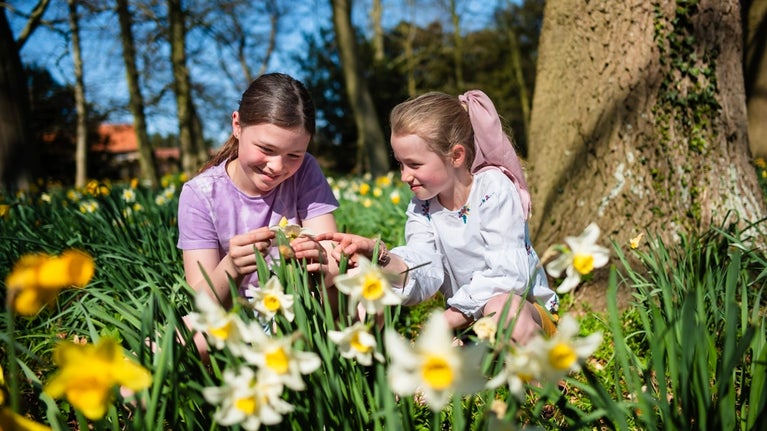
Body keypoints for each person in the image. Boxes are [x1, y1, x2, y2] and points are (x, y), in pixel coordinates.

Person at [317, 90, 558, 344]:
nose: (404, 176)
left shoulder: (493, 188)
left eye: (414, 164)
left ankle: (544, 377)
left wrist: (448, 319)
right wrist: (380, 257)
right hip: (472, 323)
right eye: (400, 164)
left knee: (502, 309)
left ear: (456, 156)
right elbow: (425, 269)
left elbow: (510, 277)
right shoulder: (423, 206)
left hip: (523, 311)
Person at [176, 73, 338, 354]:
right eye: (266, 149)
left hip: (298, 309)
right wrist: (232, 267)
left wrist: (319, 257)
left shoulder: (306, 172)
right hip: (232, 317)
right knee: (174, 343)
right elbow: (201, 302)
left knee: (362, 309)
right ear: (237, 125)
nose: (277, 167)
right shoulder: (200, 194)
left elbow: (333, 263)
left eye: (293, 155)